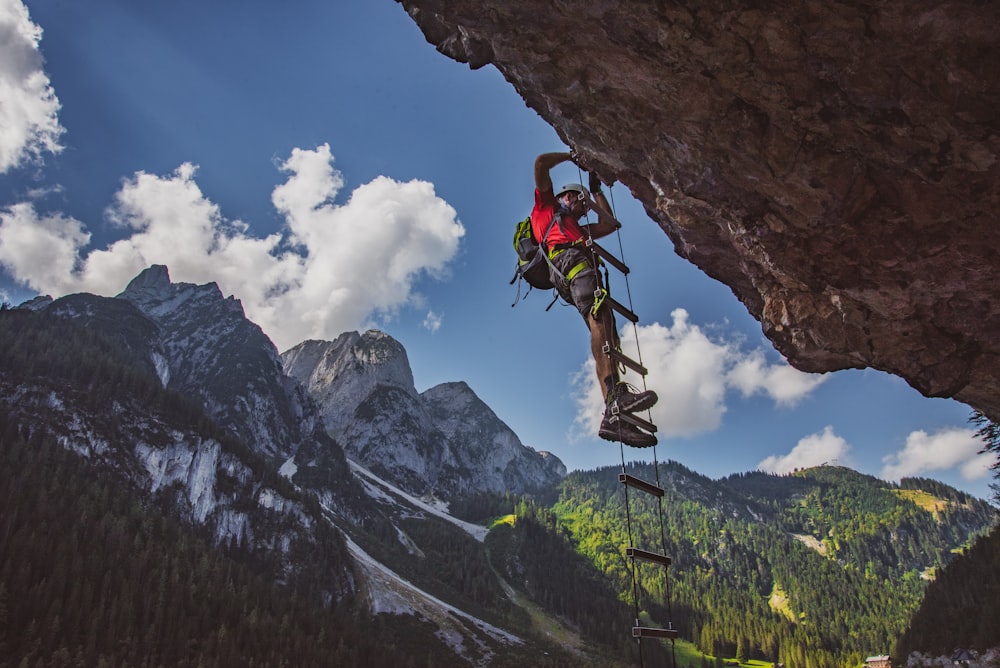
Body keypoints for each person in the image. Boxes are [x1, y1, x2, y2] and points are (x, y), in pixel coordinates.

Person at [532, 151, 658, 447]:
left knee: (605, 329)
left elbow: (611, 224)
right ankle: (615, 398)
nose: (583, 207)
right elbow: (540, 164)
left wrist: (596, 191)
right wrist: (573, 157)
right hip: (572, 264)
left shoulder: (579, 229)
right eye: (578, 200)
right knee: (600, 320)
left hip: (579, 268)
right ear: (566, 198)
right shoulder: (547, 210)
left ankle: (614, 414)